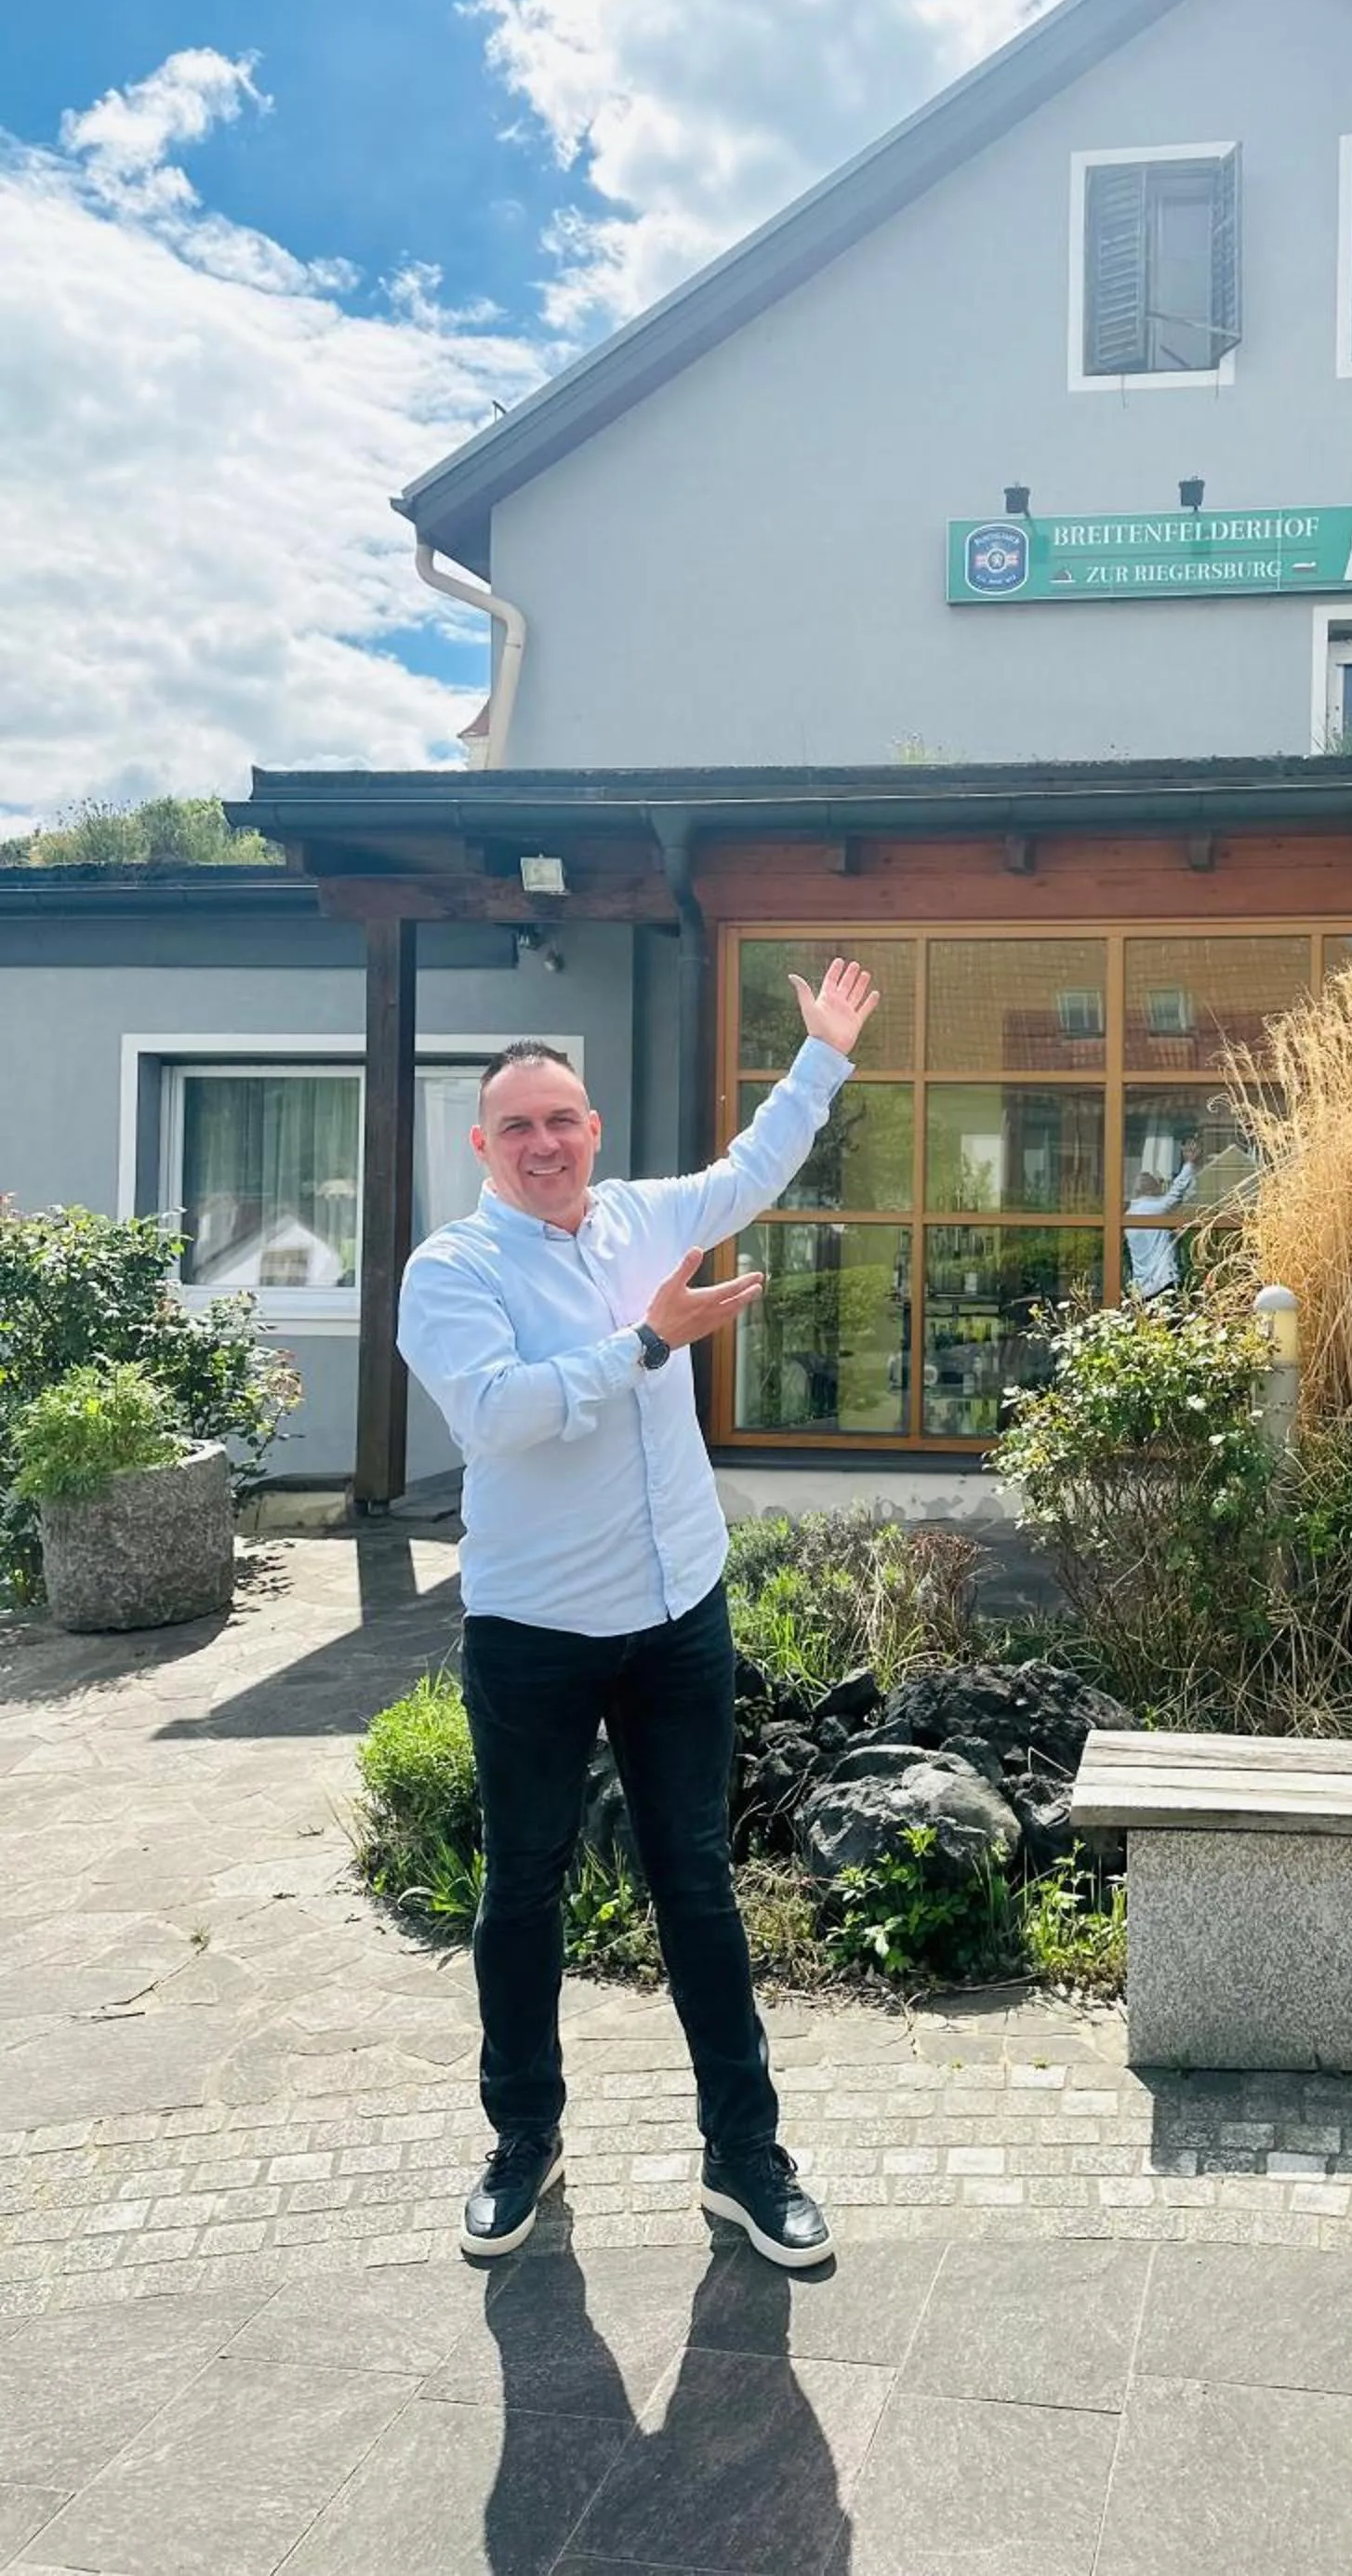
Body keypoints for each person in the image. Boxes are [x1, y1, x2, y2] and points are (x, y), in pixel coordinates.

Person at [397, 959, 880, 2269]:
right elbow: (499, 1414)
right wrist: (649, 1344)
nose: (544, 1143)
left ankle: (744, 2158)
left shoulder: (641, 1220)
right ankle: (523, 2141)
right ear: (481, 1144)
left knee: (697, 1887)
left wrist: (822, 1053)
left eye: (563, 1120)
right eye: (517, 1127)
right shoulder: (449, 1269)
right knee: (523, 1891)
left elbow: (749, 1172)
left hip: (677, 1619)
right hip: (536, 1634)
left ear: (593, 1129)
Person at [1122, 1130, 1202, 1300]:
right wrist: (1189, 1164)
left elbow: (1151, 1240)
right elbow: (1176, 1194)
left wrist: (1172, 1235)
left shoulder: (1130, 1213)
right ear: (1151, 1190)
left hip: (1141, 1286)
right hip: (1161, 1281)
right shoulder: (1153, 1208)